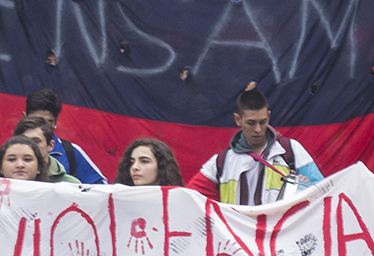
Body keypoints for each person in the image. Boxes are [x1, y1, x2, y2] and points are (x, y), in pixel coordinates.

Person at [188, 87, 323, 205]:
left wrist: (305, 188)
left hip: (281, 233)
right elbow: (188, 199)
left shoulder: (291, 150)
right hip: (237, 234)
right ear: (237, 119)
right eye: (251, 123)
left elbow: (324, 194)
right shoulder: (221, 162)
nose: (258, 129)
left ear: (269, 116)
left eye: (263, 122)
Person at [22, 89, 106, 184]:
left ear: (56, 121)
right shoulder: (9, 150)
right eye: (36, 120)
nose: (41, 127)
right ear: (24, 117)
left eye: (47, 122)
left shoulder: (71, 153)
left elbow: (101, 189)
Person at [12, 117, 80, 184]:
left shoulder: (70, 184)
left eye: (36, 141)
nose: (30, 145)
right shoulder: (3, 181)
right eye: (24, 141)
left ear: (50, 145)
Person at [114, 138, 185, 187]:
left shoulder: (179, 201)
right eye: (131, 162)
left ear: (162, 166)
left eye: (144, 161)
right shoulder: (116, 198)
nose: (134, 167)